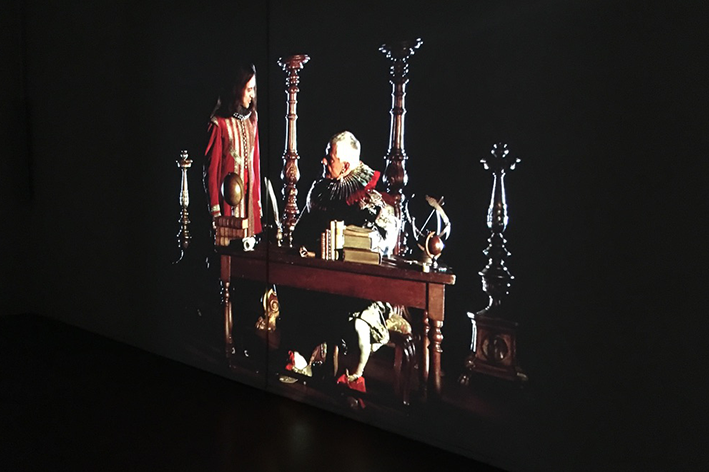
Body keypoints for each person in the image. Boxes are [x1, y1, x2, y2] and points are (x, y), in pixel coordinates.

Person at [284, 131, 404, 393]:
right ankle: (303, 359)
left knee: (356, 319)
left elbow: (382, 245)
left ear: (346, 165)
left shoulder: (372, 194)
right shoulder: (320, 189)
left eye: (330, 158)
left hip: (364, 284)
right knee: (295, 289)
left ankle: (354, 376)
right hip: (322, 275)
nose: (324, 161)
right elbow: (302, 231)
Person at [203, 62, 262, 238]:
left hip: (249, 210)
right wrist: (216, 213)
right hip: (227, 210)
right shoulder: (219, 124)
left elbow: (255, 165)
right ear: (237, 89)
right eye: (249, 89)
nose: (252, 95)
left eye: (254, 89)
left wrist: (257, 206)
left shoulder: (252, 120)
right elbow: (211, 173)